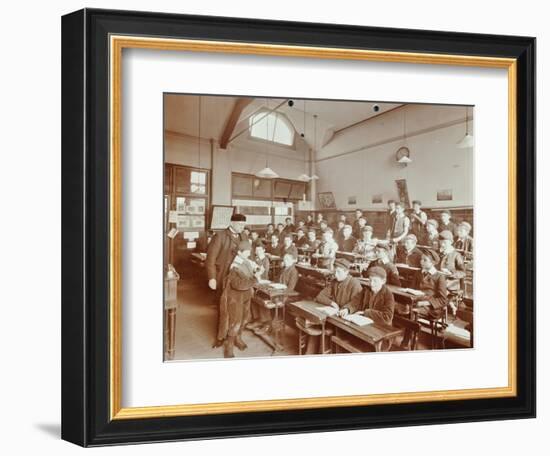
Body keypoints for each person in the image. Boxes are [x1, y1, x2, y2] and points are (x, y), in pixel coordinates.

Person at [206, 213, 249, 348]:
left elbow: (248, 256)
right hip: (223, 278)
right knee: (224, 309)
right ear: (232, 223)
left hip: (239, 279)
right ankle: (221, 337)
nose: (242, 227)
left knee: (240, 310)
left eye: (243, 225)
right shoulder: (220, 236)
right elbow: (210, 259)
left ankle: (237, 337)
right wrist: (212, 278)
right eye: (240, 225)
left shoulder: (244, 236)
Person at [217, 240, 264, 358]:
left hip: (246, 295)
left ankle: (238, 338)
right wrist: (255, 278)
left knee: (244, 319)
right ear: (240, 252)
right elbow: (239, 284)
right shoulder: (235, 266)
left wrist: (257, 270)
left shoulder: (246, 260)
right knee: (235, 322)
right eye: (247, 251)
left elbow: (254, 268)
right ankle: (229, 346)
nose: (249, 253)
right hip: (235, 297)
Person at [400, 249, 448, 350]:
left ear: (433, 262)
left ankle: (406, 343)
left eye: (425, 260)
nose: (421, 262)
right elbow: (412, 289)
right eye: (421, 259)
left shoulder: (439, 277)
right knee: (402, 309)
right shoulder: (418, 273)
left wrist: (426, 302)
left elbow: (443, 300)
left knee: (411, 314)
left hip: (432, 307)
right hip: (417, 303)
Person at [249, 252, 299, 335]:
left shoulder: (294, 271)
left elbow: (290, 289)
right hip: (277, 291)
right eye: (284, 259)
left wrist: (279, 289)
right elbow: (276, 280)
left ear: (292, 261)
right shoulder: (284, 269)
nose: (285, 261)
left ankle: (267, 325)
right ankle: (261, 320)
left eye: (287, 260)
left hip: (285, 295)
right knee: (259, 297)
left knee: (267, 301)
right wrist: (271, 283)